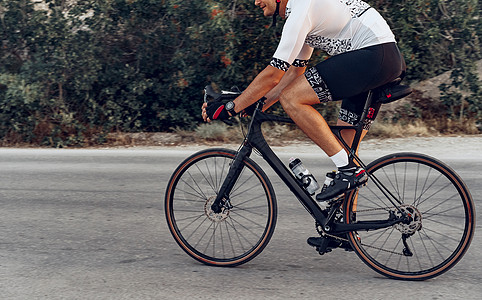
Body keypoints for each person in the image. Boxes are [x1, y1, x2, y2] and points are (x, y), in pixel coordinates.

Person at [202, 0, 405, 205]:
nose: (256, 2)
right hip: (383, 60)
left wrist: (231, 107)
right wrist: (255, 103)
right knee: (345, 149)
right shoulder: (304, 10)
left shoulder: (301, 8)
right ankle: (345, 233)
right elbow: (293, 73)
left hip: (373, 55)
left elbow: (273, 75)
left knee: (292, 98)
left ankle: (348, 171)